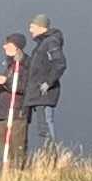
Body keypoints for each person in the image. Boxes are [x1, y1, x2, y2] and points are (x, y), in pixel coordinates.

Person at [0, 34, 31, 172]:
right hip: (3, 113)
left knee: (18, 148)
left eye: (8, 44)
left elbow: (25, 87)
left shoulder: (26, 65)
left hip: (18, 113)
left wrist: (6, 82)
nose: (4, 46)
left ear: (17, 47)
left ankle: (18, 176)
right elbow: (10, 89)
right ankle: (6, 177)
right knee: (4, 148)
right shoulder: (9, 64)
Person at [21, 15, 67, 155]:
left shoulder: (51, 42)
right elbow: (35, 67)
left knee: (45, 127)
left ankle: (51, 160)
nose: (30, 29)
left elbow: (60, 64)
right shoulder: (42, 44)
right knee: (42, 129)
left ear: (41, 26)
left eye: (32, 26)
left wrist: (48, 82)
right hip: (39, 95)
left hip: (44, 94)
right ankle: (48, 159)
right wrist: (22, 58)